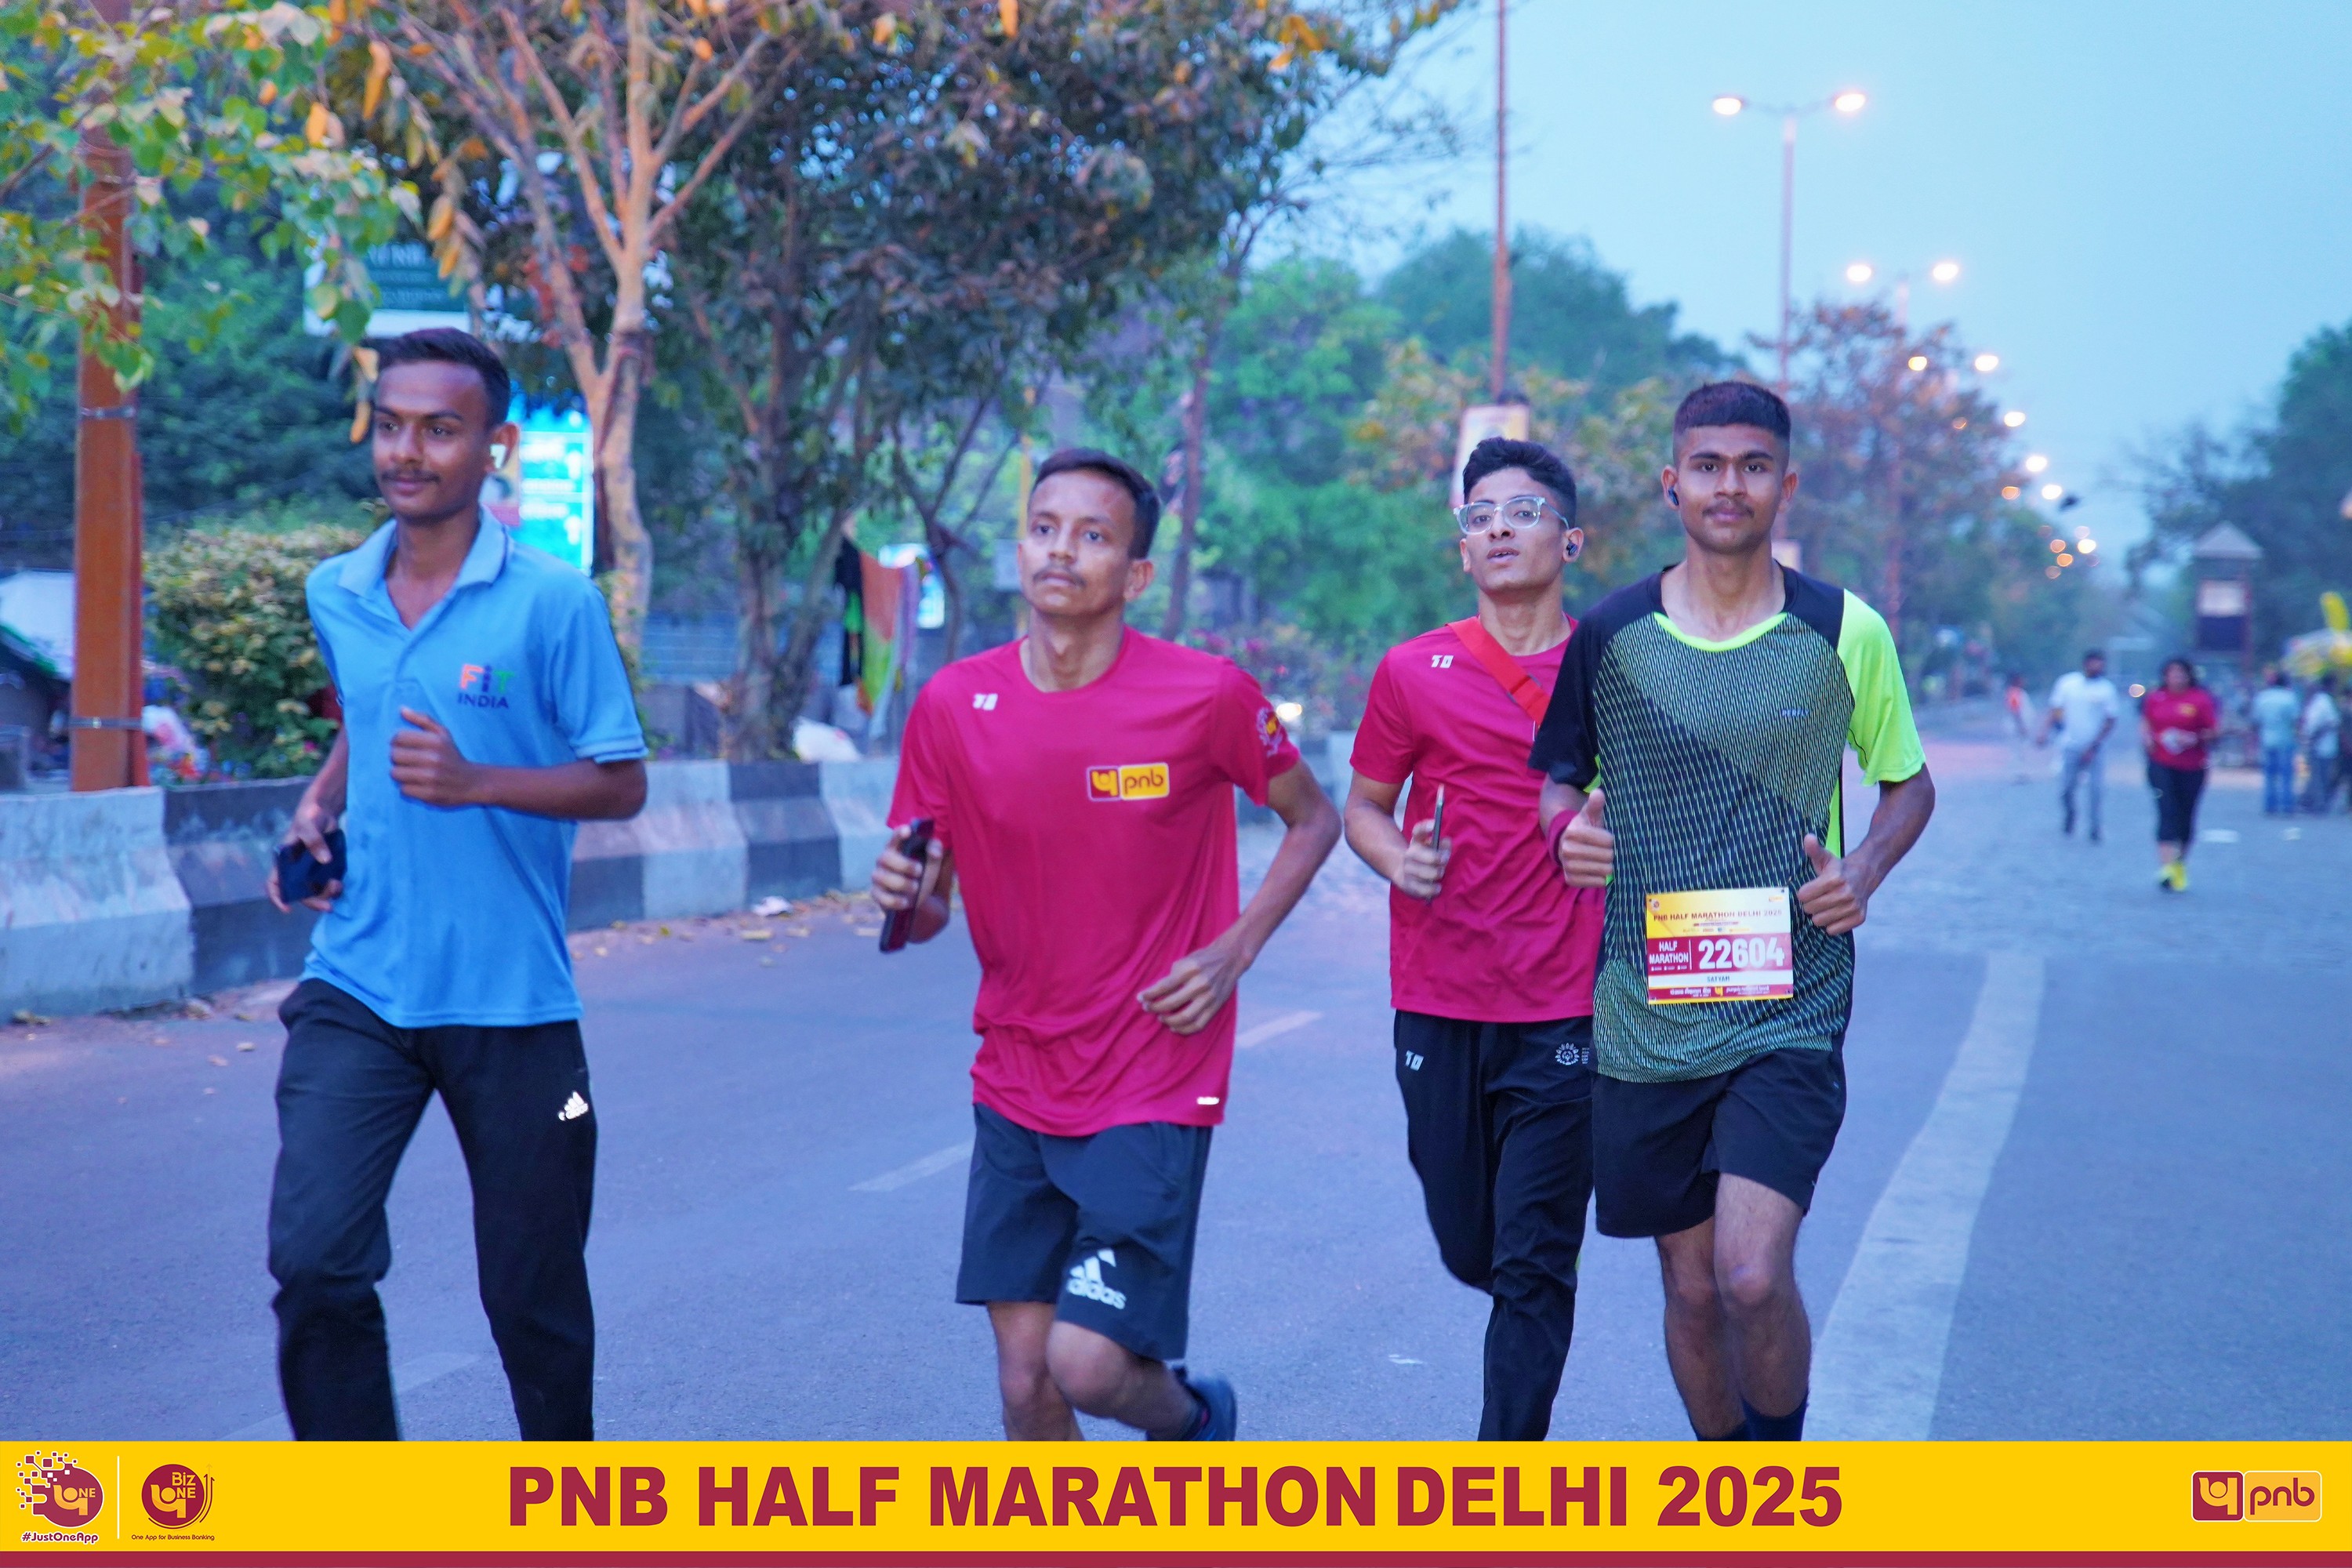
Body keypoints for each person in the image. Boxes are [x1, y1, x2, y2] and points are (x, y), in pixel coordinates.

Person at [870, 448, 1341, 1443]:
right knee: (1024, 1383)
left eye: (1093, 535)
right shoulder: (953, 704)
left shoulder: (1206, 695)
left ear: (1134, 574)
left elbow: (1314, 818)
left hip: (1151, 1070)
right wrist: (907, 897)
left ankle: (1194, 1417)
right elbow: (930, 907)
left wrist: (1234, 950)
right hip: (1015, 1070)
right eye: (1045, 527)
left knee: (1084, 1363)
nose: (1062, 550)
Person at [263, 328, 648, 1439]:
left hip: (513, 1003)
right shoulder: (338, 589)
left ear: (495, 447)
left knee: (534, 1298)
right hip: (358, 984)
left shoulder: (553, 602)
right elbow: (373, 705)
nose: (408, 451)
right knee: (314, 1262)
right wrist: (323, 799)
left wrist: (479, 781)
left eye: (440, 429)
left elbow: (621, 782)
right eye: (391, 426)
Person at [1532, 382, 1935, 1443]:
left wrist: (1866, 870)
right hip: (1646, 1010)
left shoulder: (1843, 629)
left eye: (1753, 466)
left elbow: (1908, 785)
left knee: (1751, 1273)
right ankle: (1729, 1490)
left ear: (1785, 485)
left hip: (1790, 1004)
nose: (1730, 485)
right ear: (1673, 483)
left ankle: (1780, 1479)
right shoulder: (1611, 634)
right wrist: (1566, 833)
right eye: (1708, 465)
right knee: (1692, 1287)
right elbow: (1559, 782)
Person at [1342, 436, 1605, 1440]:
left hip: (1568, 1005)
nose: (1498, 528)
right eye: (1479, 516)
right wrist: (1397, 861)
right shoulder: (1413, 670)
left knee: (1535, 1260)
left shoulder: (1613, 670)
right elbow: (1365, 807)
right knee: (1471, 1243)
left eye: (1523, 511)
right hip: (1439, 996)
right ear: (1463, 548)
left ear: (1570, 540)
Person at [2141, 656, 2221, 892]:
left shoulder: (2200, 699)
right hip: (2161, 762)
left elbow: (2214, 731)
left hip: (2192, 765)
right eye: (2171, 673)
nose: (2176, 678)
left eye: (2180, 673)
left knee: (2185, 815)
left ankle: (2179, 864)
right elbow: (2146, 722)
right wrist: (2147, 738)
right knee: (2166, 810)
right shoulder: (2156, 697)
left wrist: (2194, 738)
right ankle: (2166, 866)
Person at [2037, 649, 2121, 841]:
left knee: (2096, 790)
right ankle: (2070, 814)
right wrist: (2044, 732)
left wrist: (2094, 745)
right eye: (2094, 662)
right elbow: (2055, 710)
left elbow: (2110, 720)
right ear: (2086, 664)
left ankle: (2095, 827)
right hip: (2071, 744)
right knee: (2067, 788)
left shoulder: (2106, 689)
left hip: (2095, 748)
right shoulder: (2068, 684)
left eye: (2100, 663)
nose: (2097, 666)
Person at [2251, 669, 2300, 815]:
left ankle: (2270, 805)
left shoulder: (2262, 697)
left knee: (2270, 775)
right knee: (2286, 775)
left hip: (2267, 740)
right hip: (2286, 740)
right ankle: (2287, 805)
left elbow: (2256, 721)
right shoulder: (2290, 697)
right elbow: (2295, 720)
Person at [2301, 674, 2342, 815]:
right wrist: (2315, 739)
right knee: (2320, 778)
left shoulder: (2320, 701)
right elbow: (2330, 723)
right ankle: (2318, 804)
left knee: (2319, 777)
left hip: (2321, 746)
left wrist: (2313, 739)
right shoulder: (2325, 701)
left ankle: (2315, 804)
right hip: (2323, 747)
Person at [2002, 672, 2032, 783]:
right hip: (2016, 727)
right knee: (2017, 751)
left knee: (2021, 751)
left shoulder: (2019, 692)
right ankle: (2017, 773)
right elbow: (2015, 710)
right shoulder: (2014, 693)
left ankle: (2021, 772)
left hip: (2018, 726)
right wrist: (2021, 726)